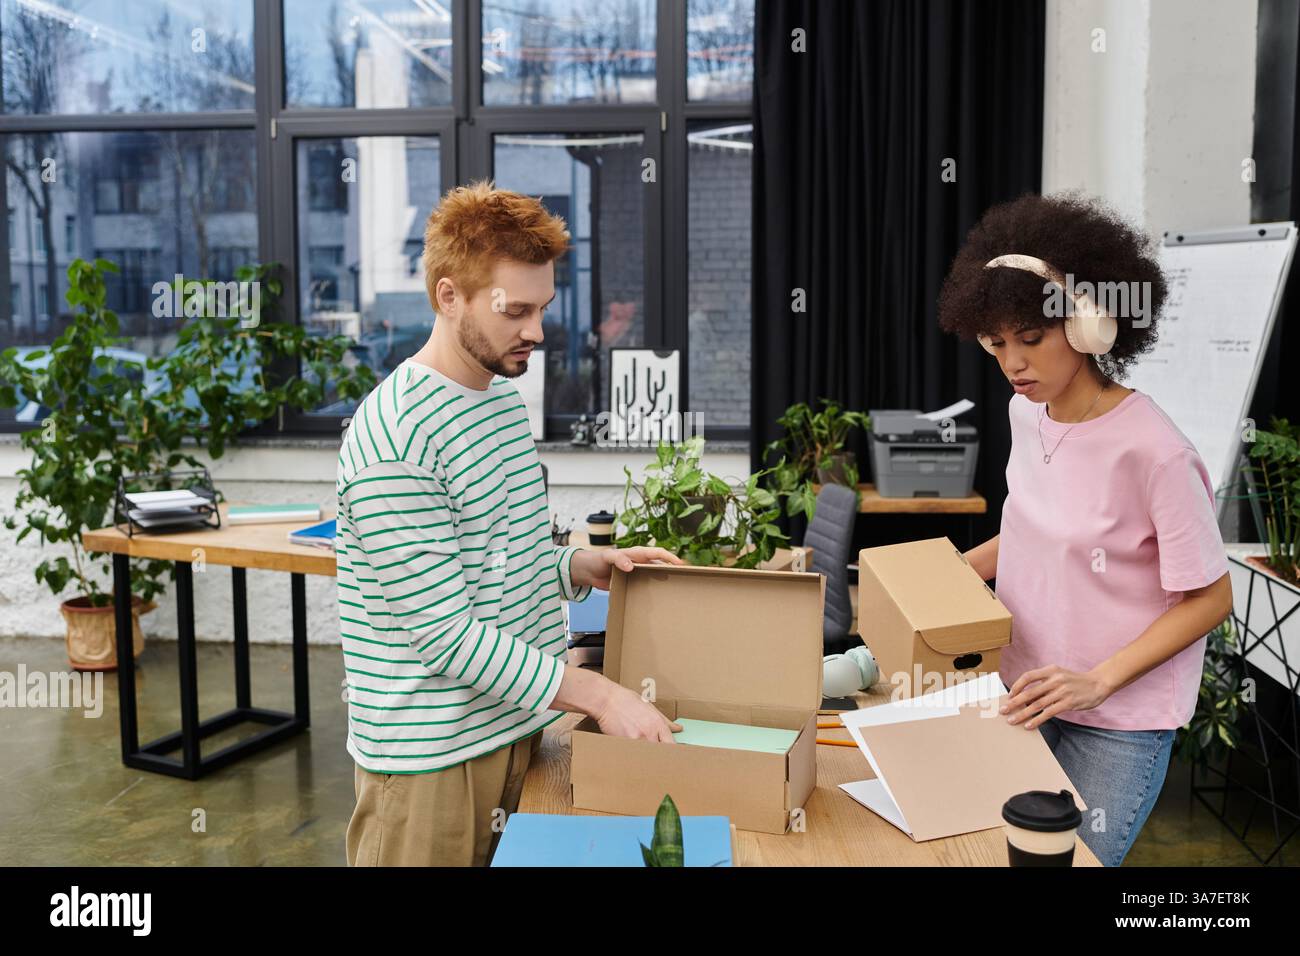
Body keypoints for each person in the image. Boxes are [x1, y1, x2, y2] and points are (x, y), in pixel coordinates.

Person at [338, 181, 684, 866]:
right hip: (432, 763)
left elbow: (501, 558)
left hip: (516, 723)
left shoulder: (497, 402)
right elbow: (443, 634)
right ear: (448, 297)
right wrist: (597, 694)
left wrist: (579, 566)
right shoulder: (396, 436)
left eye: (543, 307)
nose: (536, 330)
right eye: (516, 310)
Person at [937, 192, 1233, 866]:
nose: (1013, 363)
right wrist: (950, 574)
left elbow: (1211, 599)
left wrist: (1098, 680)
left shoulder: (1154, 450)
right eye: (996, 344)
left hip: (1119, 723)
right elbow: (1039, 531)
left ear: (1088, 324)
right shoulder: (1026, 414)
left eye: (1031, 339)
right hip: (1026, 692)